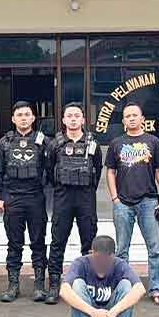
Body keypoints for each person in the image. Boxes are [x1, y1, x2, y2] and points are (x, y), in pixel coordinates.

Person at [105, 102, 159, 306]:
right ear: (123, 120)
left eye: (135, 115)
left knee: (155, 249)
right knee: (122, 250)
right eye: (128, 116)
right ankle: (123, 288)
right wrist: (115, 198)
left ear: (142, 118)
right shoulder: (116, 143)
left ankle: (155, 288)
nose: (131, 118)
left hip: (148, 201)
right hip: (123, 203)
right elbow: (110, 172)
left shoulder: (153, 141)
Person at [45, 102, 102, 305]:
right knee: (58, 241)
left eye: (77, 116)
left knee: (89, 242)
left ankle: (89, 284)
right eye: (69, 116)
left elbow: (97, 170)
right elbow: (49, 170)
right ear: (63, 120)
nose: (73, 119)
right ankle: (54, 285)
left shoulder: (92, 143)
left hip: (86, 197)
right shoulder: (55, 144)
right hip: (63, 197)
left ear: (83, 119)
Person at [0, 101, 50, 303]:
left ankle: (39, 286)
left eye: (27, 114)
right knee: (14, 244)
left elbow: (50, 168)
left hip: (35, 197)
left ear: (33, 118)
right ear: (13, 119)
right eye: (20, 115)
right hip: (13, 197)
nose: (23, 118)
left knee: (38, 242)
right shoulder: (5, 142)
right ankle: (13, 286)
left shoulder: (43, 141)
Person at [59, 235, 146, 317]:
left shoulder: (119, 264)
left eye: (105, 260)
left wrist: (113, 312)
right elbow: (64, 290)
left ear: (112, 256)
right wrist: (93, 313)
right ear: (91, 253)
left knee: (127, 285)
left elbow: (140, 289)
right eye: (97, 259)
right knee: (77, 284)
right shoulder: (81, 263)